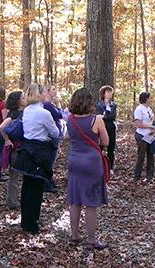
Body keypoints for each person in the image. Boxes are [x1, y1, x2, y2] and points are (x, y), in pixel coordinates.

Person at [11, 84, 59, 234]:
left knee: (27, 185)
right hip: (39, 152)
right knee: (35, 189)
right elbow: (56, 133)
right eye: (44, 91)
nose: (46, 94)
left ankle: (26, 221)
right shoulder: (43, 113)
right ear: (39, 95)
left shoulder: (27, 110)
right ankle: (31, 224)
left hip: (27, 150)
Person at [67, 88, 109, 250]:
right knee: (91, 203)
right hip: (91, 162)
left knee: (75, 200)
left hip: (74, 161)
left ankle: (75, 236)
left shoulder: (70, 119)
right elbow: (105, 141)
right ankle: (91, 240)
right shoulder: (97, 120)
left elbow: (70, 138)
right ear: (90, 102)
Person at [0, 91, 26, 210]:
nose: (25, 98)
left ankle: (16, 199)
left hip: (21, 148)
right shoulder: (14, 114)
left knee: (17, 176)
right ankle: (12, 202)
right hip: (16, 149)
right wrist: (7, 140)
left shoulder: (23, 112)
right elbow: (2, 127)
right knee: (14, 176)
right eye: (22, 97)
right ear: (17, 101)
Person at [133, 92, 155, 182]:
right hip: (141, 135)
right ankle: (137, 176)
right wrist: (150, 127)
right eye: (150, 98)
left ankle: (149, 177)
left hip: (150, 135)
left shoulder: (149, 109)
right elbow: (138, 124)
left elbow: (151, 121)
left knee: (151, 155)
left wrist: (154, 128)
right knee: (141, 156)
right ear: (146, 99)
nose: (151, 99)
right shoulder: (139, 109)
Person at [43, 84, 63, 193]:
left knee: (52, 159)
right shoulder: (47, 105)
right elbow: (60, 115)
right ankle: (46, 183)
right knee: (50, 159)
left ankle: (49, 180)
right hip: (51, 135)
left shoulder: (51, 104)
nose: (56, 91)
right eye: (53, 89)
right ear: (48, 91)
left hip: (56, 133)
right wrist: (59, 105)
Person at [96, 85, 117, 175]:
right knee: (100, 147)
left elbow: (112, 116)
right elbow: (99, 115)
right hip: (102, 127)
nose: (109, 94)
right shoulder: (99, 104)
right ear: (103, 93)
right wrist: (105, 116)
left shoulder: (113, 105)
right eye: (107, 92)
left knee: (111, 148)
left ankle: (110, 167)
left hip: (111, 128)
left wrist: (105, 115)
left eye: (110, 92)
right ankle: (98, 165)